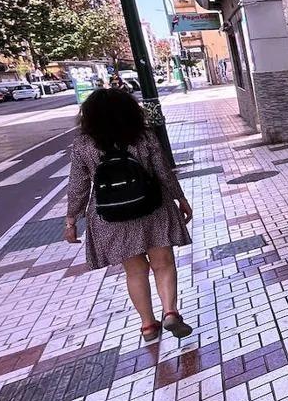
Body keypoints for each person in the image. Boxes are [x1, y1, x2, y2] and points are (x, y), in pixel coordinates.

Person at [64, 88, 194, 342]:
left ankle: (147, 325)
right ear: (129, 109)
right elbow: (163, 172)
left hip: (111, 217)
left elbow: (78, 186)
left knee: (134, 271)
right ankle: (170, 312)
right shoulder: (143, 136)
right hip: (152, 206)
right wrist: (181, 198)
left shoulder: (83, 144)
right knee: (163, 262)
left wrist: (71, 220)